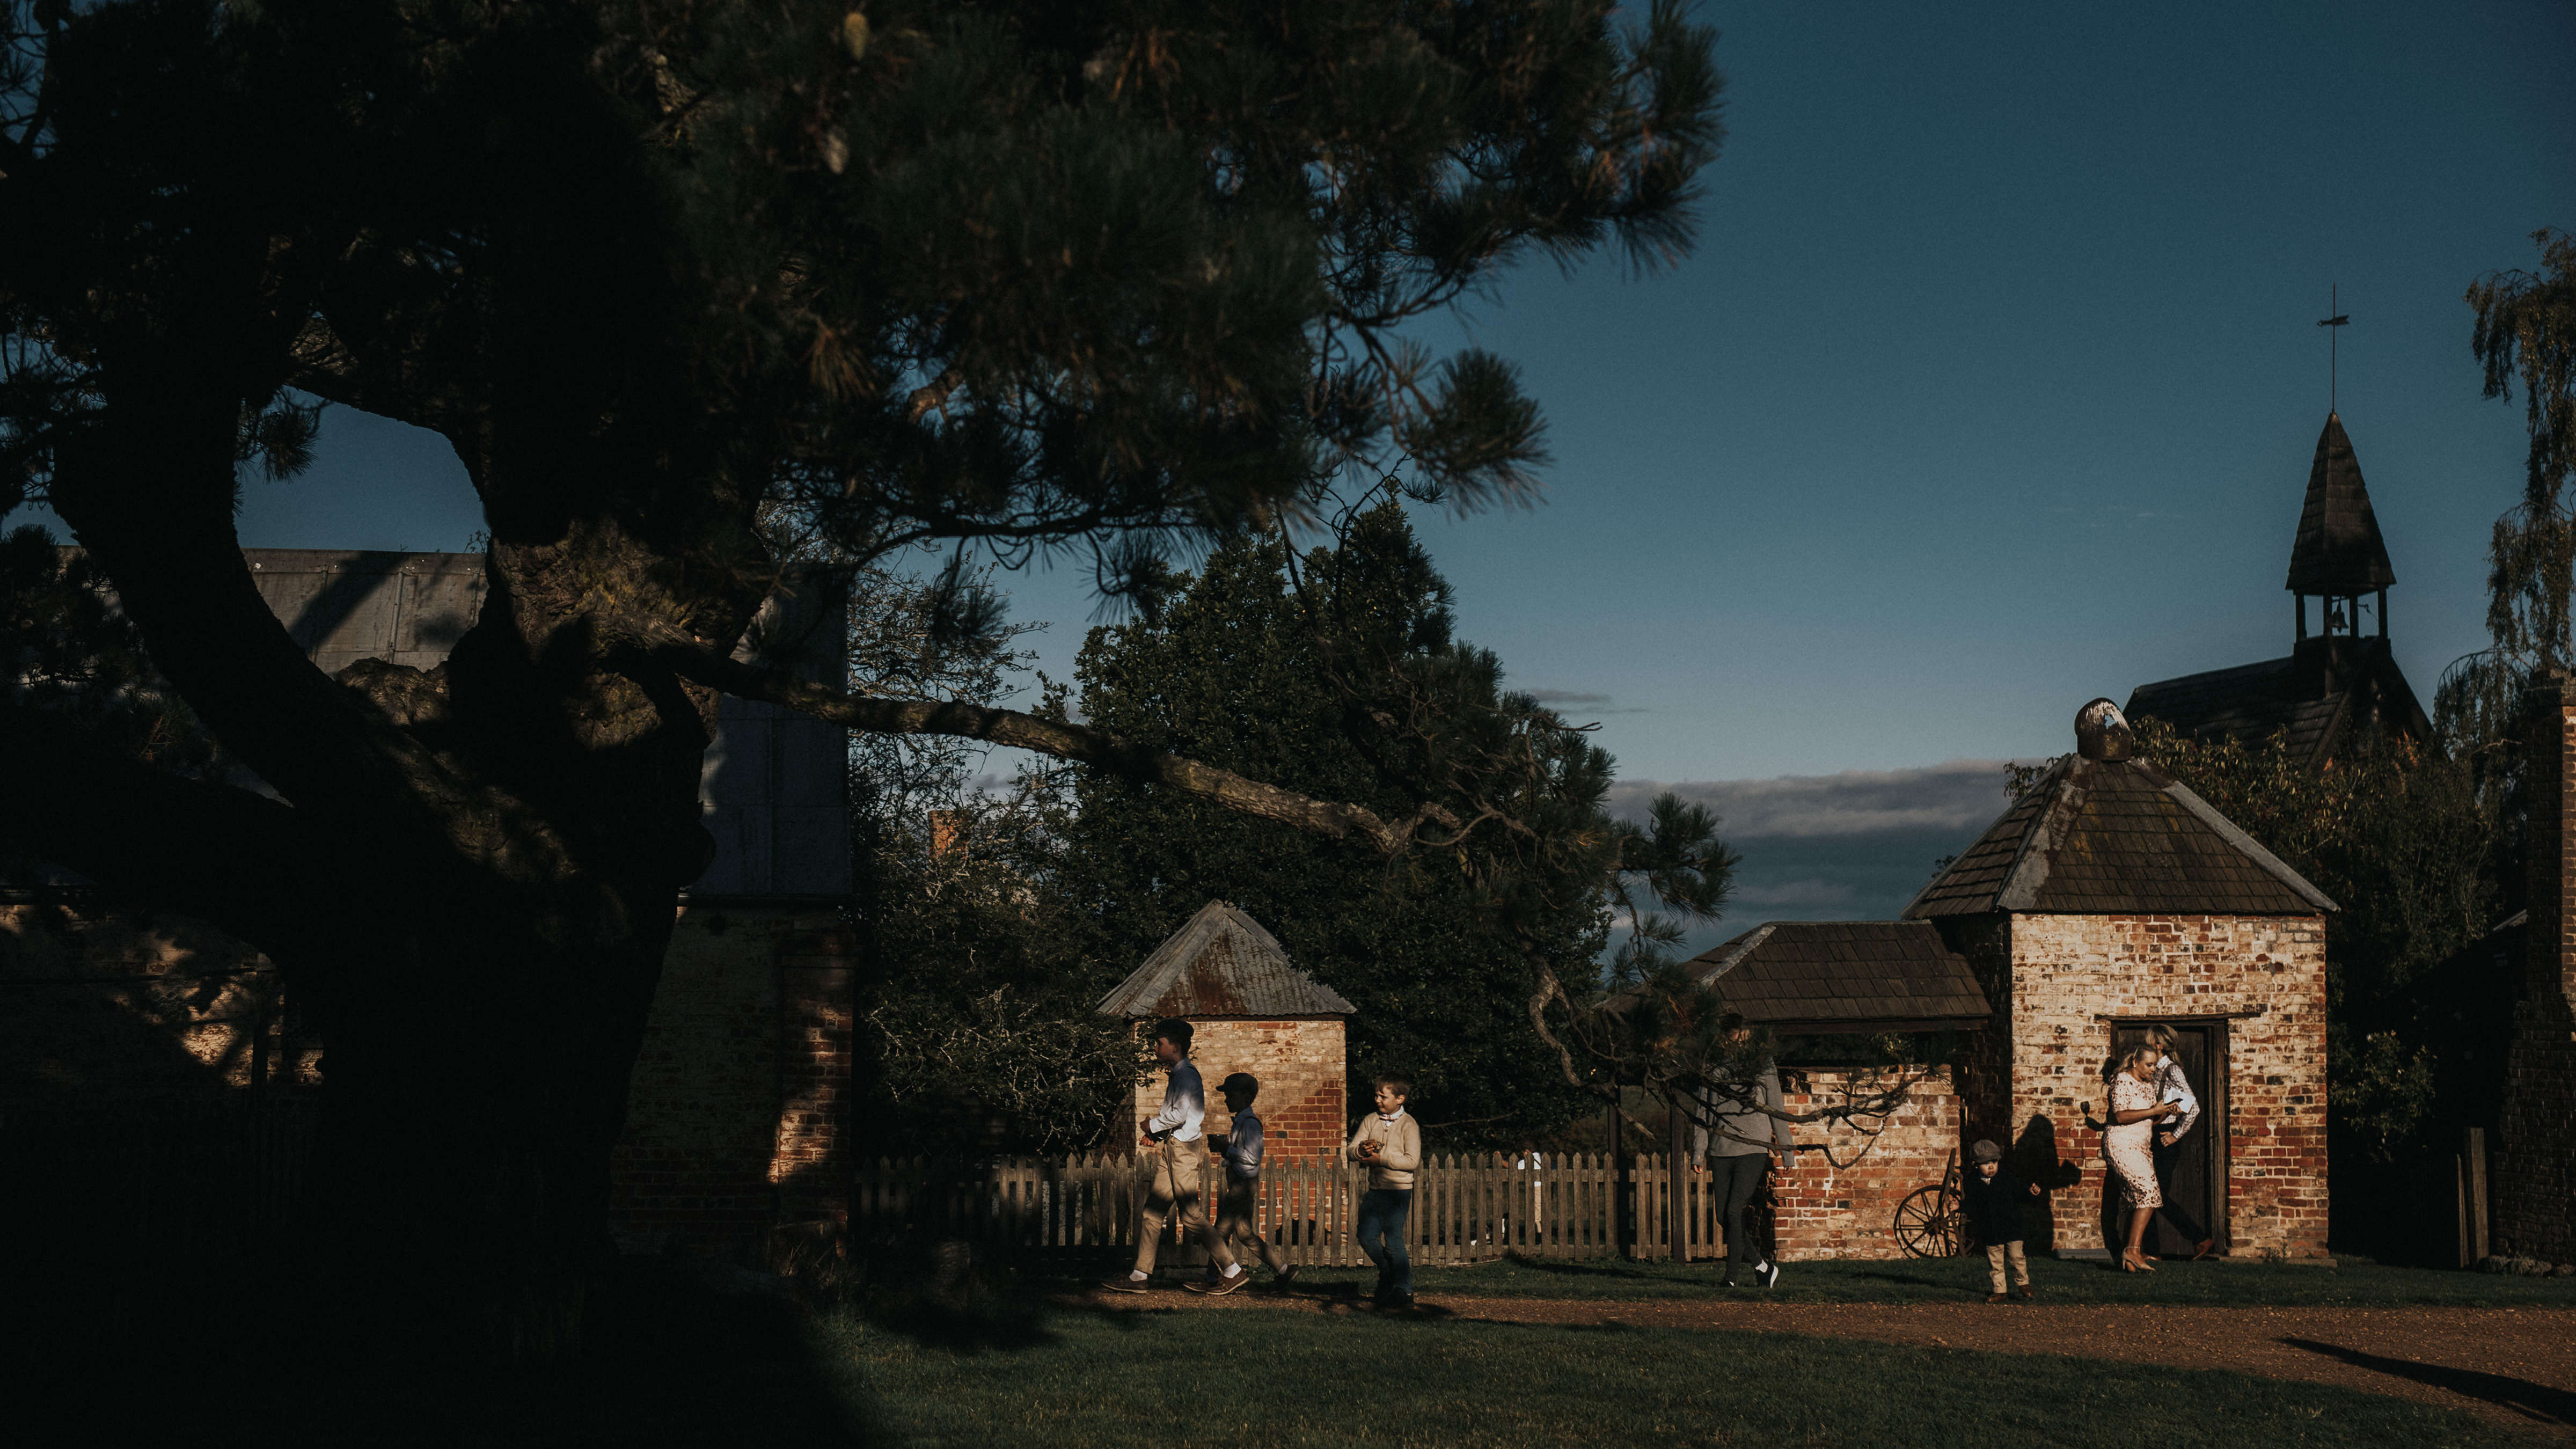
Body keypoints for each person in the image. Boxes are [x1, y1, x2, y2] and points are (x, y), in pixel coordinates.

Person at [1100, 1019, 1243, 1295]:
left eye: (1159, 1043)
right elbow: (1178, 1118)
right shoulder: (1179, 1074)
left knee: (1190, 1216)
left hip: (1183, 1153)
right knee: (1153, 1213)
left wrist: (1150, 1126)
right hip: (1172, 1147)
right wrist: (1157, 1135)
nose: (1155, 1048)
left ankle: (1232, 1271)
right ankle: (1139, 1275)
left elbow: (1180, 1115)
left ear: (1175, 1047)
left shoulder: (1187, 1075)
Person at [1692, 1030, 1792, 1288]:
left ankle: (1731, 1278)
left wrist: (1787, 1152)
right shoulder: (1713, 1064)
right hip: (1720, 1149)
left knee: (1734, 1210)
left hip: (1752, 1148)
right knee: (1724, 1218)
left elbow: (1776, 1107)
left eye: (1741, 1031)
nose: (1736, 1036)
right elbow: (1702, 1109)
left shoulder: (1762, 1063)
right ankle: (1762, 1268)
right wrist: (1699, 1151)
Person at [1189, 1072, 1297, 1293]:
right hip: (1242, 1184)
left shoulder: (1250, 1123)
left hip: (1243, 1186)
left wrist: (1226, 1148)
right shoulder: (1241, 1121)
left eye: (1230, 1095)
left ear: (1245, 1097)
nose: (1226, 1099)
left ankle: (1212, 1278)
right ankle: (1285, 1270)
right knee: (1245, 1233)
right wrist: (1226, 1146)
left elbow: (1252, 1158)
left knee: (1218, 1233)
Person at [2102, 1044, 2182, 1273]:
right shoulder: (2121, 1080)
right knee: (2149, 1192)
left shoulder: (2148, 1086)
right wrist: (2153, 1112)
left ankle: (2128, 1258)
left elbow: (2148, 1120)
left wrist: (2165, 1112)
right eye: (2149, 1065)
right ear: (2135, 1062)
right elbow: (2120, 1115)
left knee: (2138, 1199)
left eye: (2155, 1065)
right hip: (2121, 1144)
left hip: (2141, 1146)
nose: (2153, 1069)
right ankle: (2133, 1250)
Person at [1346, 1071, 1422, 1309]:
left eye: (1383, 1096)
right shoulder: (1371, 1120)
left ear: (1400, 1099)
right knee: (1366, 1236)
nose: (1378, 1100)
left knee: (1393, 1241)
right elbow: (1350, 1150)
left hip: (1398, 1191)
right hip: (1376, 1190)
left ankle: (1405, 1290)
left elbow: (1412, 1161)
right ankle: (1388, 1272)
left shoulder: (1409, 1125)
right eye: (1376, 1096)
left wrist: (1382, 1160)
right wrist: (1360, 1151)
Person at [2144, 1027, 2216, 1261]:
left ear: (2159, 1045)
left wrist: (2176, 1134)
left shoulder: (2171, 1070)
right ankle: (2151, 1251)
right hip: (2152, 1134)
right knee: (2149, 1193)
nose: (2146, 1041)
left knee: (2157, 1195)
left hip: (2165, 1138)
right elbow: (2175, 1103)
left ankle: (2199, 1239)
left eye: (2149, 1039)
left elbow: (2192, 1107)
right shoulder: (2155, 1070)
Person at [1958, 1138, 2043, 1302]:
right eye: (1986, 1164)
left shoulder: (2006, 1178)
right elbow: (1972, 1204)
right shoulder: (1972, 1183)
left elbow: (2021, 1194)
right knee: (1995, 1260)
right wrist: (1959, 1206)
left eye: (1994, 1162)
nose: (1991, 1167)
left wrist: (2031, 1193)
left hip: (2012, 1226)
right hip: (1991, 1228)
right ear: (1976, 1165)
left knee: (2017, 1256)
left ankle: (2023, 1283)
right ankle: (1999, 1290)